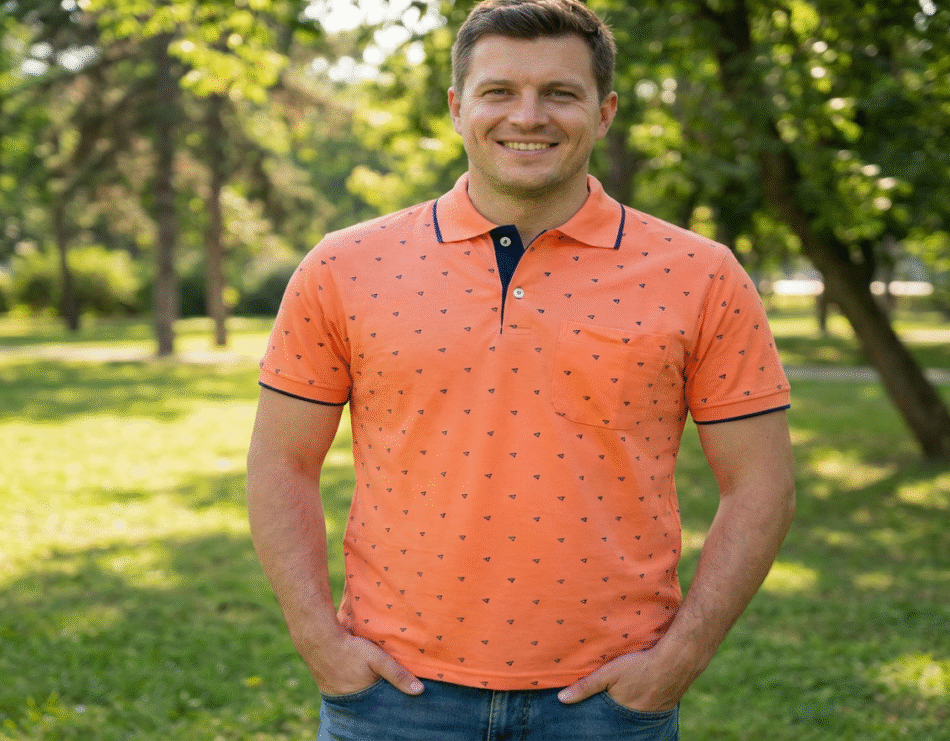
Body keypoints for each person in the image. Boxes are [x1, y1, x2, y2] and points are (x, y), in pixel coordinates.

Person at [246, 0, 796, 738]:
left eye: (560, 93)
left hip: (609, 705)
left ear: (604, 112)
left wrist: (679, 659)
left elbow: (761, 484)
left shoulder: (702, 274)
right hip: (392, 700)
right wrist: (321, 643)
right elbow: (281, 462)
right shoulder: (344, 266)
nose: (527, 116)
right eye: (499, 91)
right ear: (457, 107)